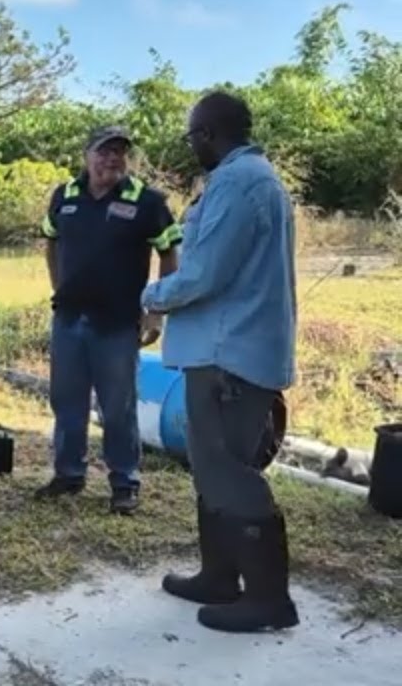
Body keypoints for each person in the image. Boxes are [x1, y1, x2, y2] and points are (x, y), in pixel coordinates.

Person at [141, 90, 300, 633]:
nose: (192, 147)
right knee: (213, 465)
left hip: (228, 354)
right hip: (227, 349)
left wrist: (150, 296)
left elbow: (205, 274)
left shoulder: (237, 182)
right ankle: (218, 576)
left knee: (230, 470)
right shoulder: (256, 178)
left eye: (193, 136)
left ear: (208, 134)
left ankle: (268, 599)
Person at [38, 125, 181, 515]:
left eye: (119, 152)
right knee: (66, 402)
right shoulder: (63, 197)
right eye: (104, 151)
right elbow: (50, 241)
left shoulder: (147, 201)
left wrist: (156, 313)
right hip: (68, 319)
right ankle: (69, 474)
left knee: (117, 407)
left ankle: (124, 483)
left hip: (117, 324)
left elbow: (170, 253)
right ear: (87, 155)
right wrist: (58, 286)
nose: (112, 159)